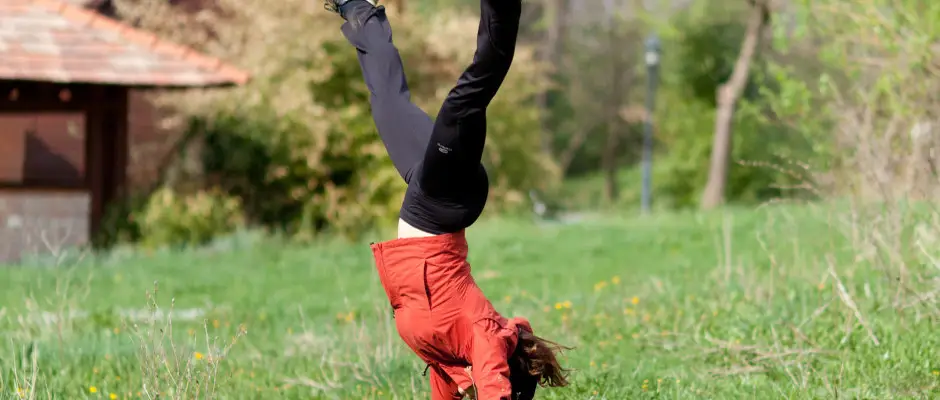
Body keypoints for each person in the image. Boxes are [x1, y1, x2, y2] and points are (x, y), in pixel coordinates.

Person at [325, 0, 571, 398]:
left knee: (388, 104)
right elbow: (495, 388)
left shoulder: (454, 362)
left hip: (430, 193)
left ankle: (360, 10)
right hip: (444, 199)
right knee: (470, 93)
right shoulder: (488, 340)